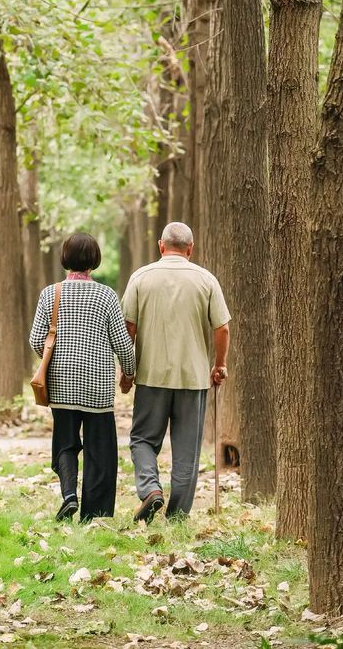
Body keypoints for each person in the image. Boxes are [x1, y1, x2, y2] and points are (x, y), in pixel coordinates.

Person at [120, 221, 230, 522]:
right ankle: (178, 516)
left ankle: (150, 489)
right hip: (193, 379)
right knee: (187, 451)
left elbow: (128, 327)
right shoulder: (206, 280)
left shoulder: (141, 278)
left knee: (143, 440)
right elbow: (222, 328)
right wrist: (220, 364)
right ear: (190, 248)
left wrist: (127, 372)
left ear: (160, 245)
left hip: (151, 376)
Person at [29, 232, 135, 523]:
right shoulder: (106, 296)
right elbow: (122, 343)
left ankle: (68, 495)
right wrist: (130, 371)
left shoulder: (50, 294)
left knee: (65, 442)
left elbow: (37, 338)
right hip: (97, 385)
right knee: (100, 450)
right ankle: (95, 514)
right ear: (94, 261)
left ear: (66, 258)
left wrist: (56, 358)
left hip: (61, 382)